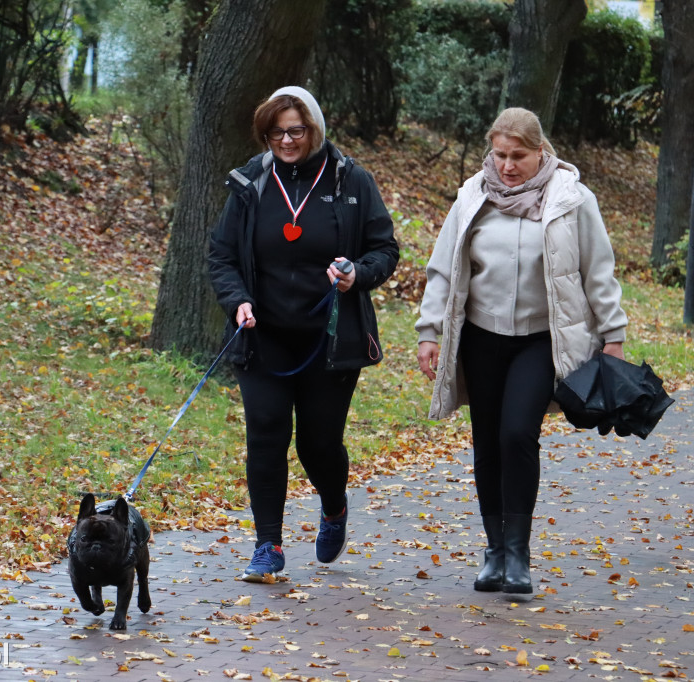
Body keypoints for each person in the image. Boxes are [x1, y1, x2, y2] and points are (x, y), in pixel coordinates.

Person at [415, 107, 628, 595]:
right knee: (487, 440)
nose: (508, 166)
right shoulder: (473, 195)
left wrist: (613, 335)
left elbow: (599, 270)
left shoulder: (572, 199)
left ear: (541, 152)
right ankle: (494, 553)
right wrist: (430, 331)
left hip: (540, 339)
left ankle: (519, 553)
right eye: (500, 155)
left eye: (519, 156)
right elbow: (443, 268)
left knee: (517, 434)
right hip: (481, 337)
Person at [209, 86, 398, 582]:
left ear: (314, 128)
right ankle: (267, 545)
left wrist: (358, 272)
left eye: (296, 130)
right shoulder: (251, 181)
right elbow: (222, 256)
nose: (286, 140)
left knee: (318, 443)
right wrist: (238, 302)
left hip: (330, 340)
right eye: (276, 132)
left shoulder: (350, 178)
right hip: (263, 335)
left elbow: (385, 249)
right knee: (267, 433)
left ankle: (334, 507)